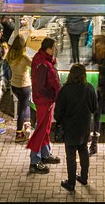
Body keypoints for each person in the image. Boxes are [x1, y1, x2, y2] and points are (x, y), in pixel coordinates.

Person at [54, 63, 98, 192]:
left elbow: (58, 113)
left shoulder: (65, 90)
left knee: (71, 155)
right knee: (83, 151)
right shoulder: (89, 88)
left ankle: (71, 183)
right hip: (84, 126)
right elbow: (94, 108)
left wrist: (62, 122)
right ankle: (84, 178)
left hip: (70, 128)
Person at [25, 37, 61, 174]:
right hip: (44, 101)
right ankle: (34, 161)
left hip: (47, 101)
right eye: (54, 47)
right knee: (41, 129)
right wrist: (52, 94)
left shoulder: (43, 60)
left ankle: (45, 154)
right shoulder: (43, 64)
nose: (55, 49)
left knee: (45, 128)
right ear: (48, 49)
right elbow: (40, 87)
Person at [5, 33, 34, 142]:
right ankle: (19, 134)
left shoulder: (10, 55)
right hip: (24, 85)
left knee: (25, 105)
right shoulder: (24, 57)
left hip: (14, 85)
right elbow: (33, 64)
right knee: (22, 108)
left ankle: (27, 125)